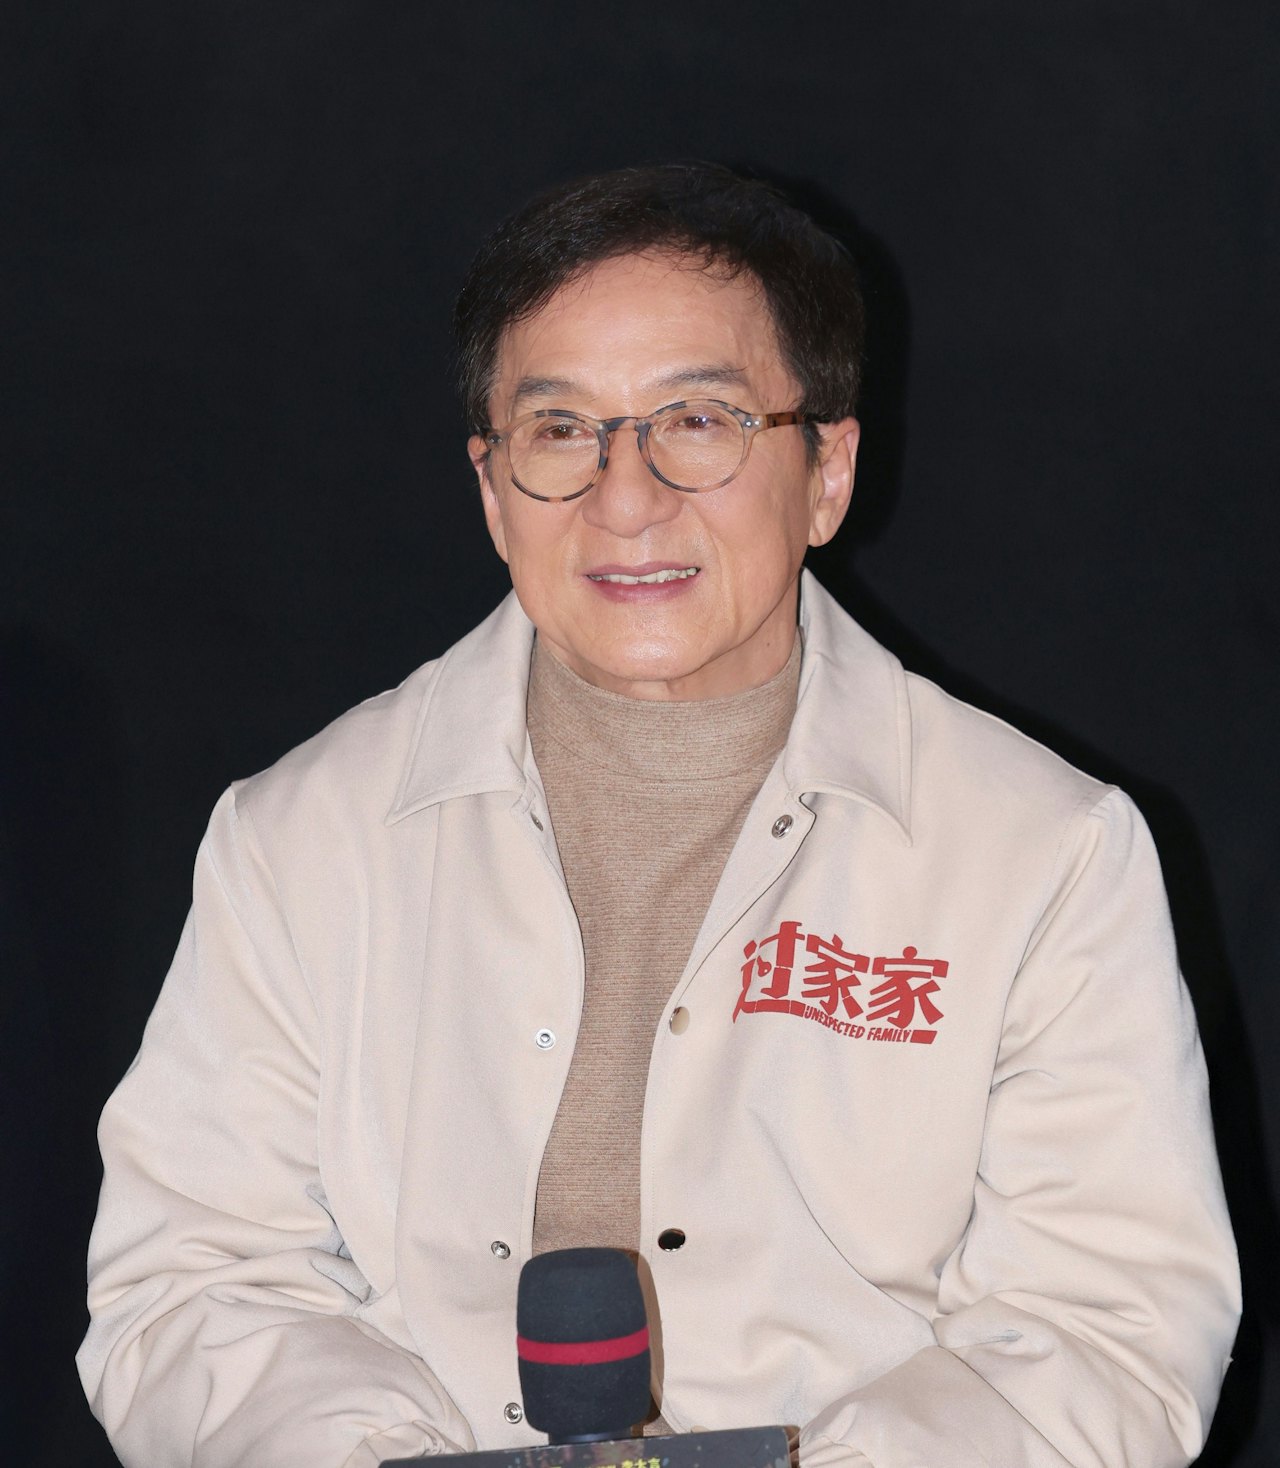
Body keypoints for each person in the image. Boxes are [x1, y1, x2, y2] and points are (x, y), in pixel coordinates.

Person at [78, 163, 1240, 1468]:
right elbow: (196, 1283)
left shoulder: (1045, 853)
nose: (625, 500)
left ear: (828, 472)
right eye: (559, 430)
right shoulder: (300, 839)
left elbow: (1104, 1328)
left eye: (699, 421)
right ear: (492, 489)